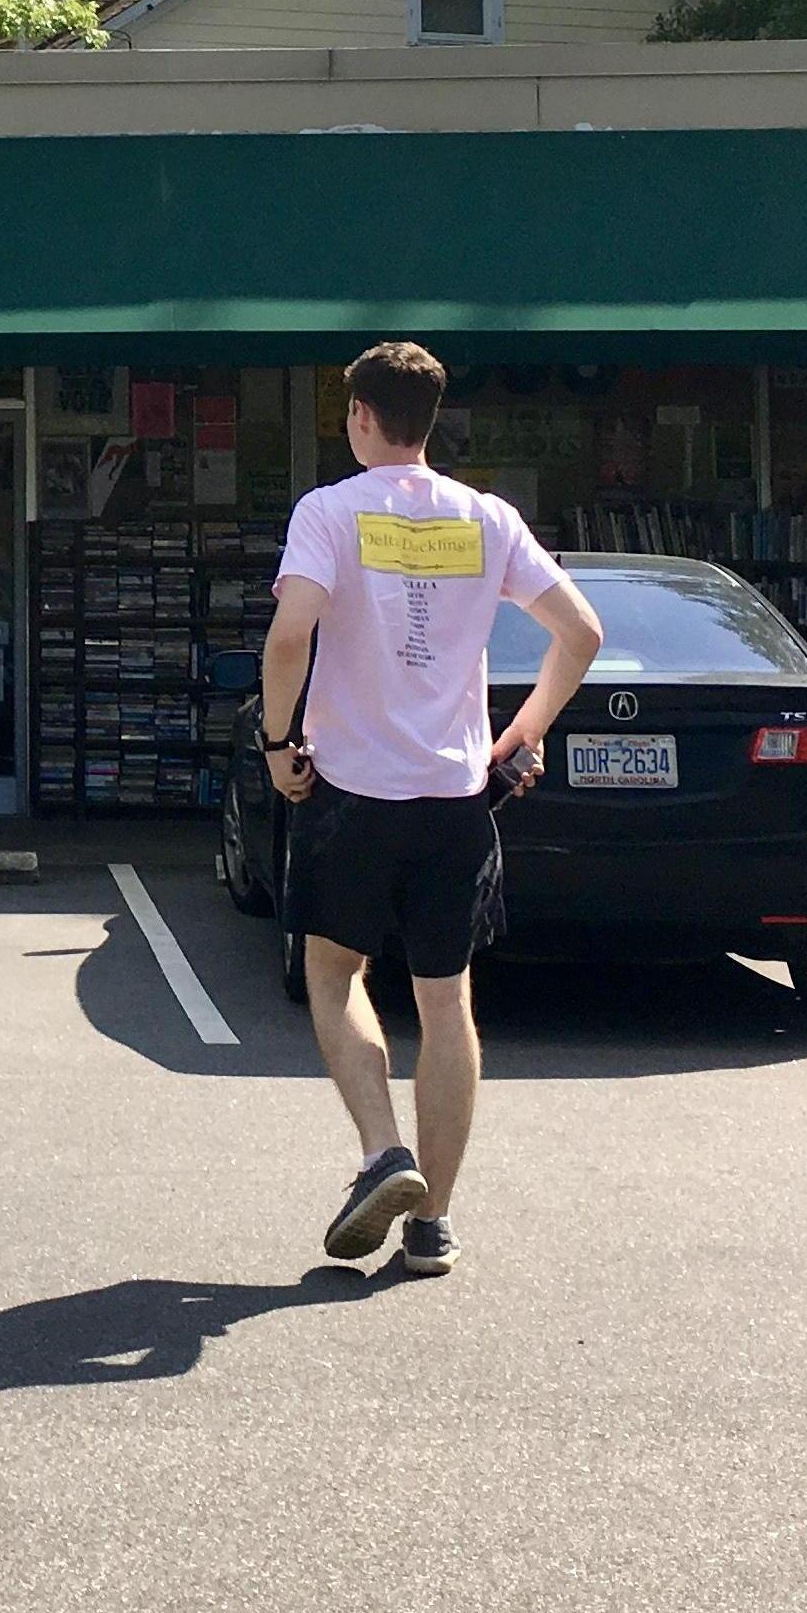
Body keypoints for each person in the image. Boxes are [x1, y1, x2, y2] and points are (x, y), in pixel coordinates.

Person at [260, 339, 602, 1277]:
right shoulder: (484, 516)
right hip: (455, 797)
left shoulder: (328, 510)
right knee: (445, 1000)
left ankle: (381, 1153)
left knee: (333, 975)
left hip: (353, 792)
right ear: (431, 419)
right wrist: (520, 735)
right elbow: (580, 630)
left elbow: (291, 632)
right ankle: (433, 1224)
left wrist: (277, 741)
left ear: (360, 417)